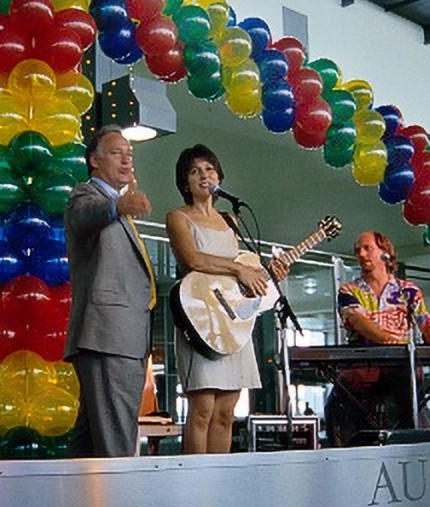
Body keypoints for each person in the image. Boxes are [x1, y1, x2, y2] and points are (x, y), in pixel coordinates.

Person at [165, 144, 288, 454]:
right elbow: (192, 259)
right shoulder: (178, 217)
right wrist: (238, 269)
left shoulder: (232, 220)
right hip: (200, 318)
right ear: (185, 182)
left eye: (209, 169)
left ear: (219, 176)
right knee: (202, 409)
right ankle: (194, 484)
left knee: (226, 412)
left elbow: (246, 274)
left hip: (232, 320)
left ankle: (218, 480)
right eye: (194, 171)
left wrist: (268, 274)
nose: (203, 175)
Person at [63, 125, 156, 458]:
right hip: (106, 336)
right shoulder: (87, 196)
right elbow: (84, 216)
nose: (127, 160)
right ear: (94, 161)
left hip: (120, 337)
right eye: (117, 152)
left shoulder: (119, 206)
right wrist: (119, 206)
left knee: (88, 442)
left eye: (129, 154)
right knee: (116, 441)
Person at [325, 230, 430, 446]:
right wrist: (390, 340)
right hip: (361, 367)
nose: (360, 253)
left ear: (386, 253)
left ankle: (417, 445)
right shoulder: (348, 290)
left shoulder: (408, 290)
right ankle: (348, 451)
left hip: (400, 366)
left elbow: (426, 323)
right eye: (357, 249)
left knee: (412, 401)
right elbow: (358, 322)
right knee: (337, 403)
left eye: (367, 248)